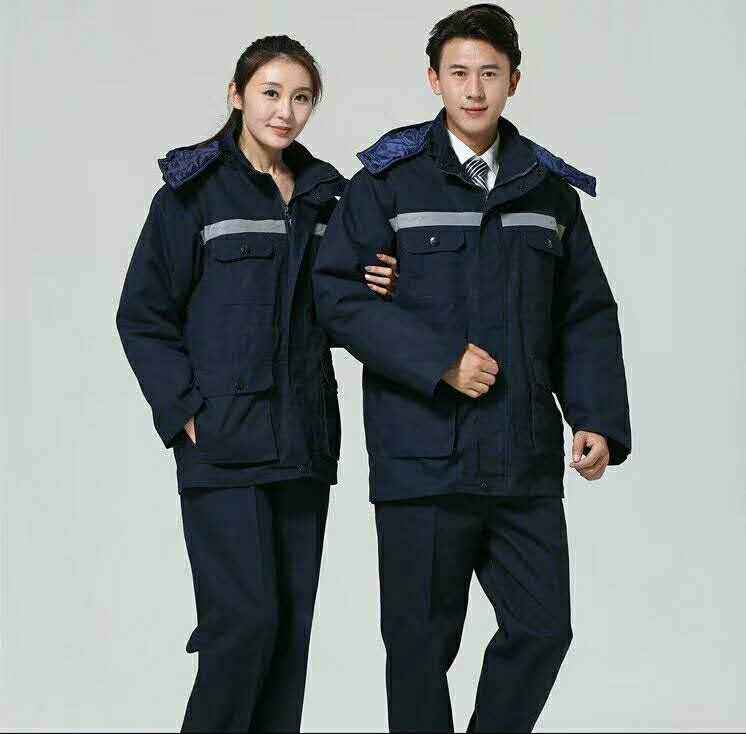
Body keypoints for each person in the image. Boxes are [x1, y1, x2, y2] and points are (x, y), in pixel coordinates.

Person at [313, 4, 631, 732]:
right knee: (419, 649)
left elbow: (583, 311)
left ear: (515, 80)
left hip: (521, 453)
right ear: (434, 80)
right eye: (459, 73)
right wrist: (439, 362)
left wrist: (595, 418)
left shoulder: (546, 189)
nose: (475, 89)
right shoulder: (388, 183)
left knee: (543, 628)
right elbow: (336, 295)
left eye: (490, 73)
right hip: (421, 455)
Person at [116, 36, 397, 732]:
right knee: (243, 625)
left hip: (303, 439)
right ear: (237, 95)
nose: (285, 111)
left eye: (301, 98)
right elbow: (143, 313)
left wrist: (376, 285)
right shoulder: (192, 194)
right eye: (271, 93)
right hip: (222, 441)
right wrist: (182, 408)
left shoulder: (329, 196)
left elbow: (338, 313)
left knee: (288, 637)